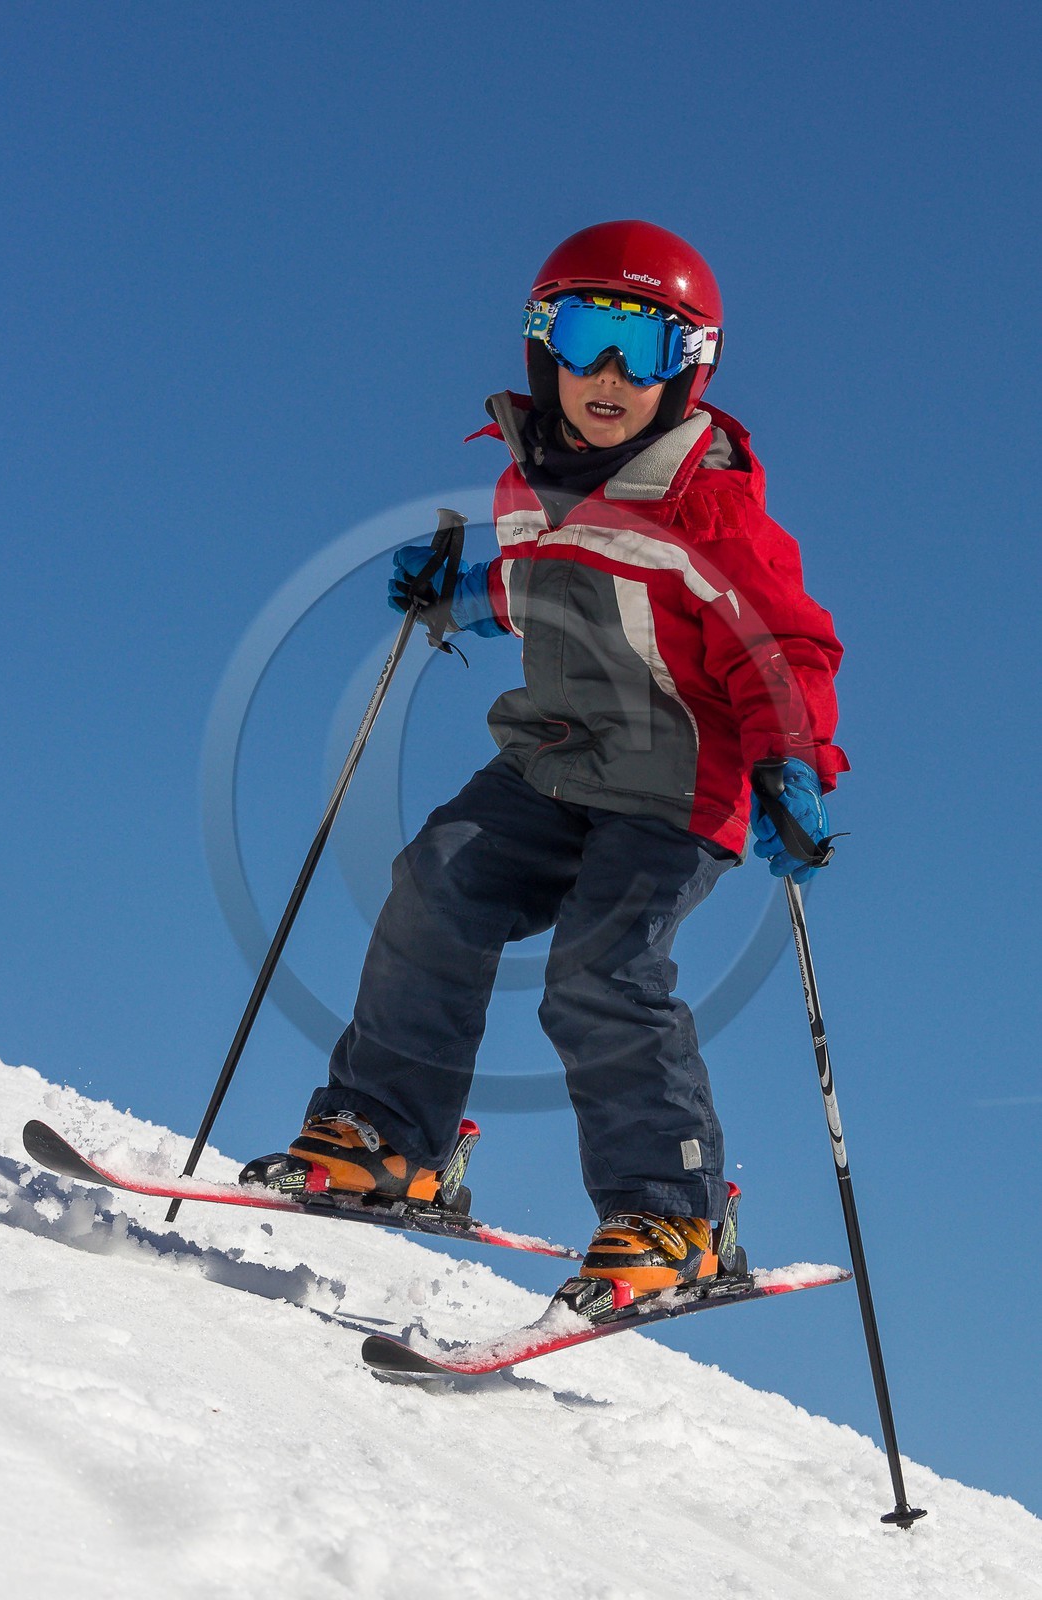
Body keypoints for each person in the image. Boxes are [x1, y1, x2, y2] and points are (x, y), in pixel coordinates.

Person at [242, 220, 848, 1295]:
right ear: (541, 345)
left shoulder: (707, 503)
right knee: (435, 883)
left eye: (644, 347)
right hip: (553, 763)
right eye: (585, 336)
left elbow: (776, 647)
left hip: (674, 785)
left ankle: (672, 1218)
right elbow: (557, 588)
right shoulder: (530, 479)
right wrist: (464, 599)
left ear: (689, 367)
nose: (608, 374)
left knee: (599, 970)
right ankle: (388, 1141)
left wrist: (791, 761)